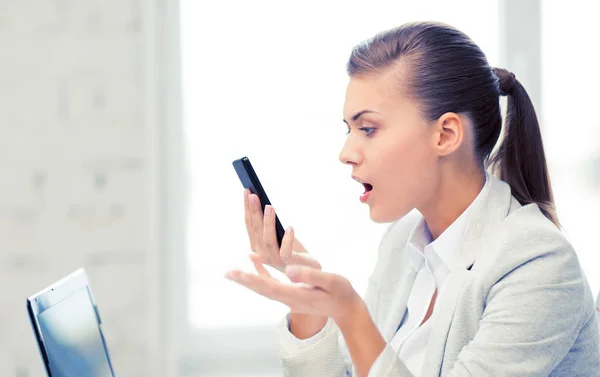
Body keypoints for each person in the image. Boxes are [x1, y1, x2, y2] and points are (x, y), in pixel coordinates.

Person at [225, 21, 600, 377]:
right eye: (349, 130)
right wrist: (307, 302)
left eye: (368, 129)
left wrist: (352, 316)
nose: (346, 152)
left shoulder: (538, 263)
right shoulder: (401, 246)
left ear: (446, 134)